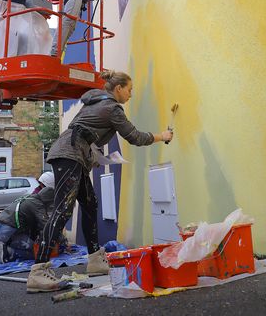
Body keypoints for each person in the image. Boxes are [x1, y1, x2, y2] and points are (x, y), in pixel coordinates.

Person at [26, 70, 174, 292]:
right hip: (69, 155)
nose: (131, 95)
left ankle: (95, 259)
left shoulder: (94, 103)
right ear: (118, 89)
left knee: (90, 204)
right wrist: (162, 136)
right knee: (62, 211)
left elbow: (86, 132)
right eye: (130, 90)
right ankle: (38, 272)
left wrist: (93, 156)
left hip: (75, 155)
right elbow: (134, 137)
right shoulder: (113, 108)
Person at [0, 185, 54, 262]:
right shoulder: (37, 204)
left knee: (29, 243)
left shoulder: (29, 197)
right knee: (35, 250)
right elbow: (46, 225)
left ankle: (9, 246)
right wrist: (60, 238)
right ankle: (8, 252)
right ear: (47, 200)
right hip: (7, 231)